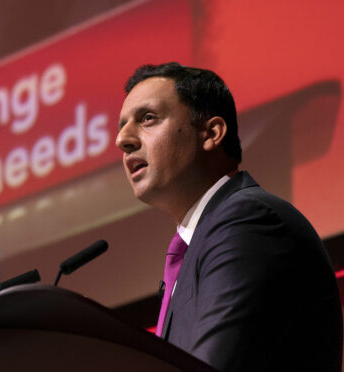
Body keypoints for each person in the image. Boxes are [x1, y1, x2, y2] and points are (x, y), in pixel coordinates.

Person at [115, 62, 342, 371]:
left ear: (211, 133)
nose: (122, 140)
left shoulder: (247, 221)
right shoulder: (203, 241)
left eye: (148, 118)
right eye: (122, 126)